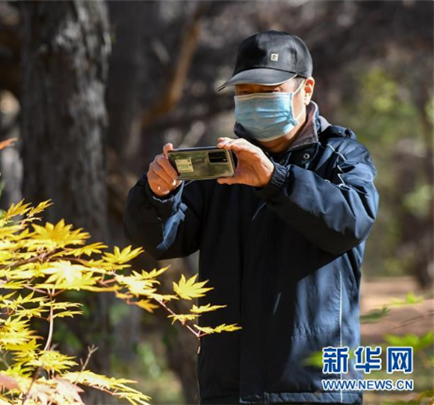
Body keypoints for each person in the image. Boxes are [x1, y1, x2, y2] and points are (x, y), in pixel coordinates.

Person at [123, 30, 379, 404]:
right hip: (229, 388)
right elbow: (163, 241)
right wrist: (158, 195)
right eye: (245, 93)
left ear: (306, 89)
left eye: (267, 91)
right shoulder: (221, 166)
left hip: (316, 390)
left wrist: (274, 180)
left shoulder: (341, 156)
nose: (254, 101)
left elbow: (350, 221)